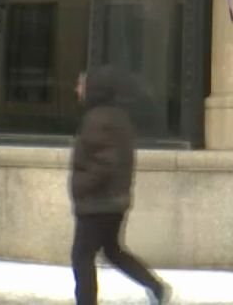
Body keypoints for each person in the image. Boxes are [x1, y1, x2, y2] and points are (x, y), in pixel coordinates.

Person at [68, 66, 171, 305]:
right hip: (111, 201)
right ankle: (156, 288)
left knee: (82, 257)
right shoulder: (113, 117)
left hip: (98, 202)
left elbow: (106, 163)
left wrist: (81, 185)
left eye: (81, 84)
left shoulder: (97, 119)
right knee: (112, 251)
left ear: (93, 89)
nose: (77, 89)